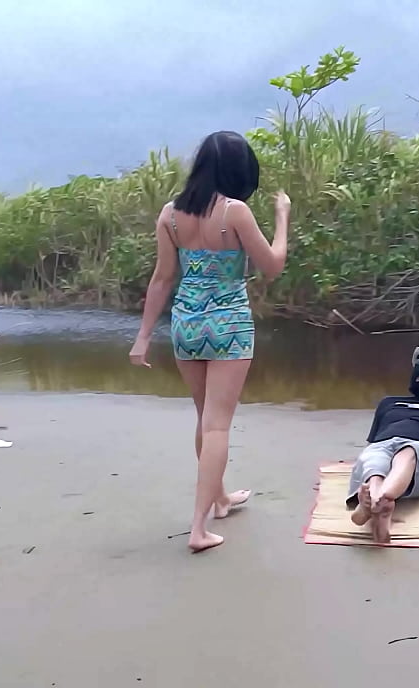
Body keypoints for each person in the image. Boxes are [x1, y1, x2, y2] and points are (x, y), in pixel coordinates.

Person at [128, 130, 291, 553]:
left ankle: (218, 498)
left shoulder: (170, 214)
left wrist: (143, 337)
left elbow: (162, 278)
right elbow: (272, 265)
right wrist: (282, 219)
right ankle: (198, 527)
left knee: (205, 417)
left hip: (186, 323)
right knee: (217, 424)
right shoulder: (234, 212)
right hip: (228, 325)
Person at [347, 342, 419, 543]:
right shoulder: (388, 402)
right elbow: (373, 445)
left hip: (418, 449)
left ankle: (380, 500)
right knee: (373, 457)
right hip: (382, 445)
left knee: (409, 451)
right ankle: (374, 498)